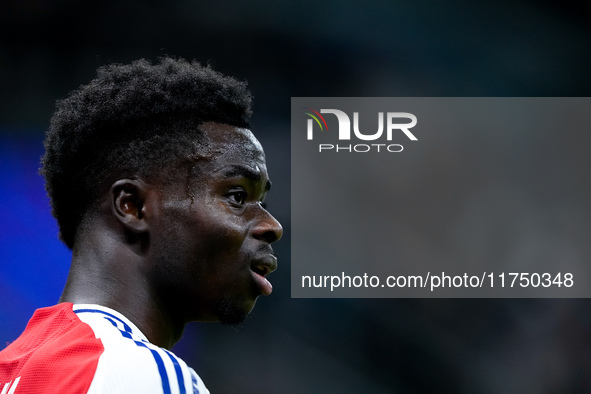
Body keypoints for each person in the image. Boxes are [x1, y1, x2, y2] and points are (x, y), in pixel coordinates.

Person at [0, 57, 283, 393]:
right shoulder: (141, 372)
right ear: (132, 206)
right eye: (237, 196)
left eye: (262, 203)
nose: (272, 225)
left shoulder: (13, 371)